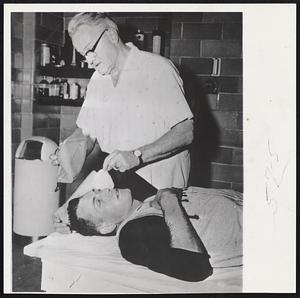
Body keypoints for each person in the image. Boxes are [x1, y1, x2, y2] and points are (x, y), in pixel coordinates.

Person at [52, 12, 194, 190]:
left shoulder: (158, 69)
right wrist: (66, 152)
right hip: (120, 189)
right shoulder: (97, 80)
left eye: (90, 50)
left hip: (162, 189)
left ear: (111, 35)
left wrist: (137, 156)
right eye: (83, 55)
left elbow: (185, 132)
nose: (88, 61)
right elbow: (87, 133)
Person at [53, 186, 243, 282]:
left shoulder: (143, 202)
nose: (106, 191)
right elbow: (194, 268)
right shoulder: (131, 235)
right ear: (106, 227)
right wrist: (168, 199)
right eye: (99, 202)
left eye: (98, 190)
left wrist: (64, 213)